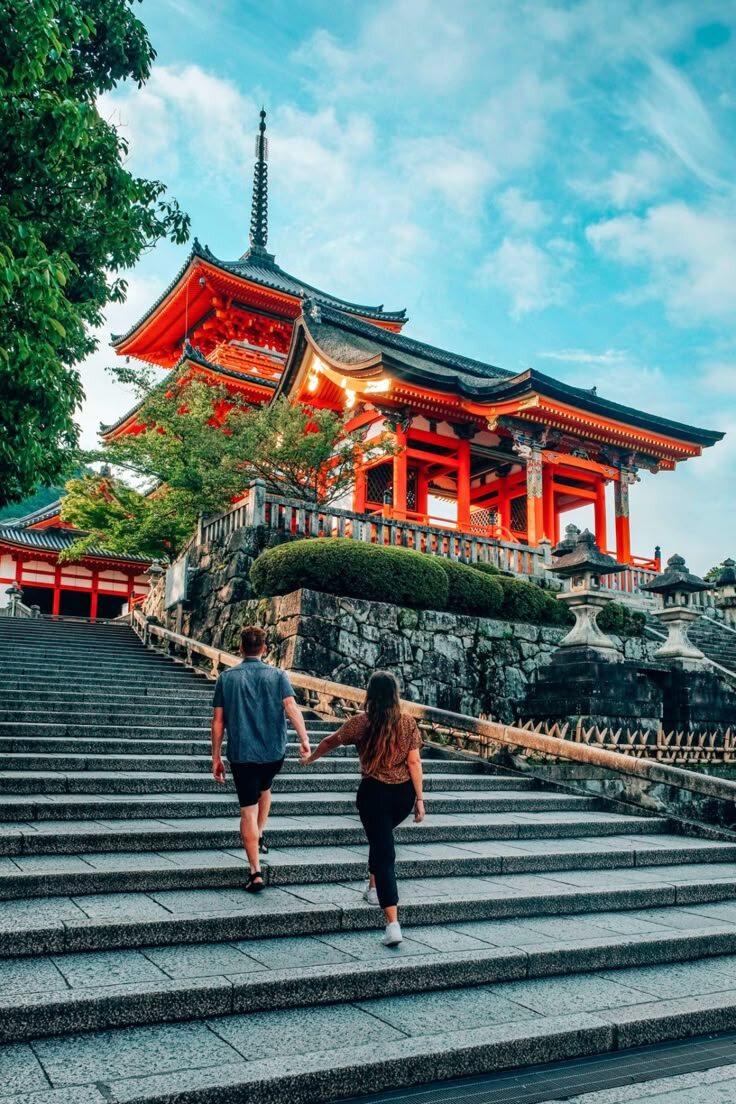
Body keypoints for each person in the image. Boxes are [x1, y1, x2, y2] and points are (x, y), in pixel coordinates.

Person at [302, 670, 425, 946]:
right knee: (381, 839)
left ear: (370, 695)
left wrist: (310, 759)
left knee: (384, 852)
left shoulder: (360, 723)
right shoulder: (407, 723)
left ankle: (392, 924)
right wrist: (419, 799)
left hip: (373, 794)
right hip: (402, 796)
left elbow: (329, 742)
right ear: (395, 695)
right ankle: (372, 887)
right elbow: (414, 762)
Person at [211, 625, 310, 892]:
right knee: (265, 788)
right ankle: (260, 832)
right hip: (273, 754)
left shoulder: (226, 679)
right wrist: (304, 739)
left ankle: (255, 872)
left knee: (248, 809)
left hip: (242, 754)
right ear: (264, 648)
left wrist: (216, 757)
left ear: (240, 648)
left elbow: (218, 722)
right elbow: (291, 707)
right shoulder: (278, 675)